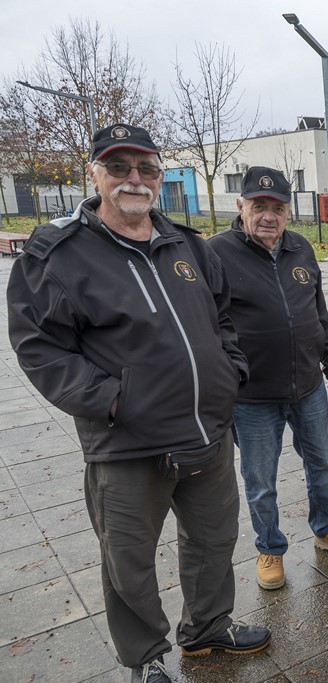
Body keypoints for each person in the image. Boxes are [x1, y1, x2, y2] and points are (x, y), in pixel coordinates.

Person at [6, 123, 269, 683]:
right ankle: (146, 658)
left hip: (208, 430)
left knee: (214, 541)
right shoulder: (58, 254)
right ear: (95, 173)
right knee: (129, 563)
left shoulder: (186, 243)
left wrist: (230, 371)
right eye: (119, 167)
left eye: (146, 168)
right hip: (128, 443)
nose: (134, 179)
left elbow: (222, 317)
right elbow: (38, 345)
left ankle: (206, 629)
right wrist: (111, 400)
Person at [209, 166, 328, 592]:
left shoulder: (301, 249)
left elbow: (317, 311)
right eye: (259, 206)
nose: (268, 216)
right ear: (241, 207)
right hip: (252, 396)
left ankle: (326, 528)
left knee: (322, 466)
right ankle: (270, 546)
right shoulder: (217, 253)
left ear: (288, 211)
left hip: (307, 386)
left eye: (277, 207)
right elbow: (208, 323)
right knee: (261, 481)